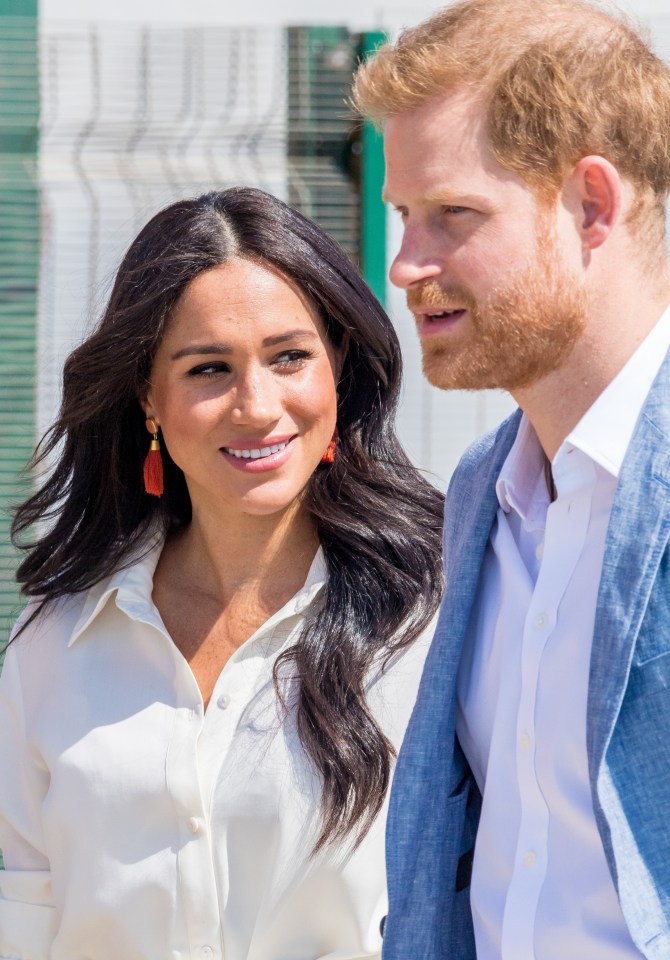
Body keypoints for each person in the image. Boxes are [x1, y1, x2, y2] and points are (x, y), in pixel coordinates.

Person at [0, 186, 444, 960]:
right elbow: (30, 914)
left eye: (289, 358)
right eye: (210, 368)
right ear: (149, 395)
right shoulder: (55, 638)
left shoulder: (430, 621)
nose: (257, 405)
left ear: (337, 370)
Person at [352, 1, 670, 958]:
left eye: (453, 215)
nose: (407, 265)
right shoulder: (483, 491)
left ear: (592, 206)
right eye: (404, 217)